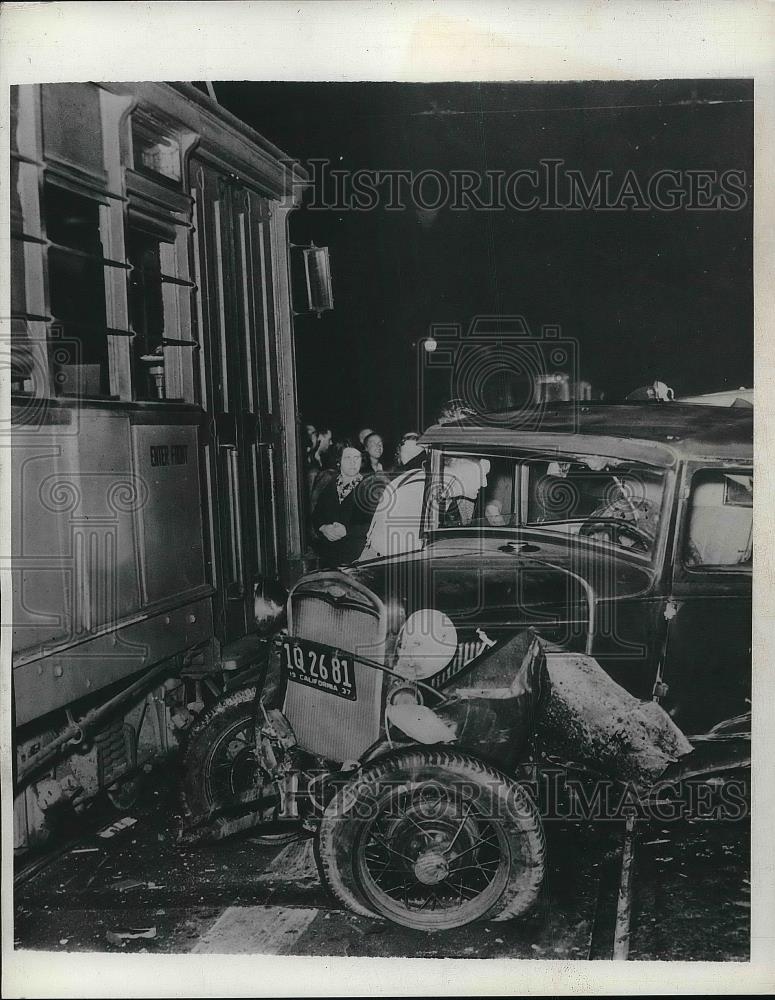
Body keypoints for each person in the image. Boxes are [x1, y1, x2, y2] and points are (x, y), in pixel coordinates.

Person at [312, 446, 373, 568]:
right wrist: (323, 527)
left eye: (357, 458)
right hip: (327, 557)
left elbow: (374, 524)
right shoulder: (328, 484)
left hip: (356, 558)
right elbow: (316, 515)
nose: (353, 462)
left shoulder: (369, 488)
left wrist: (347, 531)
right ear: (339, 461)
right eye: (347, 458)